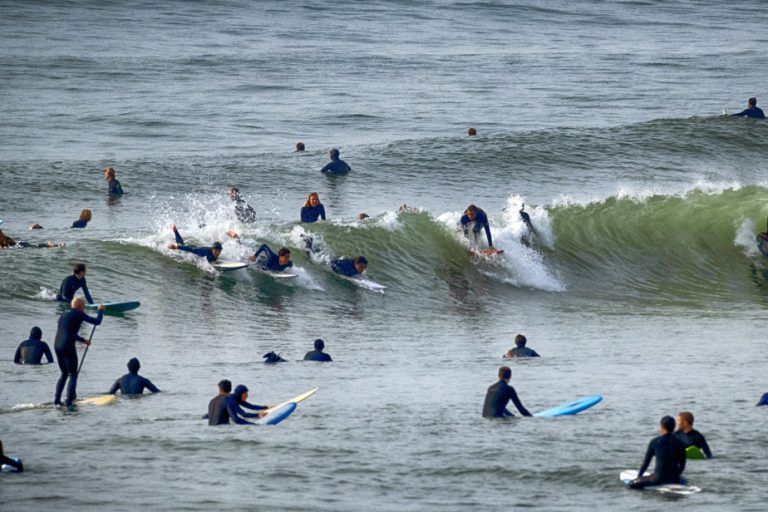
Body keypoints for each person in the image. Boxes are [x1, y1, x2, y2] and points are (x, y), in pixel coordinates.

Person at [53, 298, 104, 408]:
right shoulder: (78, 314)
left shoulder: (63, 315)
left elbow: (68, 332)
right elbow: (97, 322)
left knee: (64, 373)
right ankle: (69, 402)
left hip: (57, 345)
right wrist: (101, 311)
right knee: (73, 374)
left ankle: (57, 401)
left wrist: (83, 340)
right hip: (67, 346)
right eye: (84, 306)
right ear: (81, 306)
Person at [629, 415, 687, 489]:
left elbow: (646, 463)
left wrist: (639, 477)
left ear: (662, 426)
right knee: (684, 479)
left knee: (631, 484)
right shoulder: (680, 443)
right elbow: (682, 465)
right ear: (674, 427)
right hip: (674, 479)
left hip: (658, 479)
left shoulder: (655, 442)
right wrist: (676, 477)